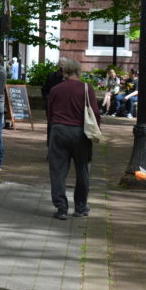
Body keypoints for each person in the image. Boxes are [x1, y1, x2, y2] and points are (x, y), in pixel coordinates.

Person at [45, 57, 100, 220]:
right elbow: (95, 112)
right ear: (79, 71)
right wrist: (97, 130)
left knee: (58, 171)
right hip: (80, 132)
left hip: (59, 130)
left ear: (64, 71)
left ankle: (61, 207)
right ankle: (81, 207)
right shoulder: (86, 88)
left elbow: (50, 112)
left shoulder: (56, 89)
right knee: (82, 169)